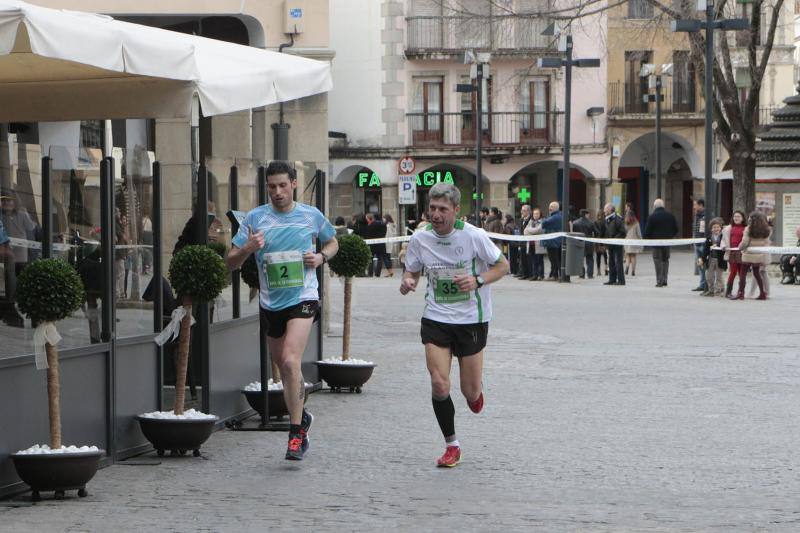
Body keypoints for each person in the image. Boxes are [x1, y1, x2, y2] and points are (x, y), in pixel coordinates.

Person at [226, 161, 339, 461]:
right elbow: (230, 262)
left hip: (303, 296)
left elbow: (333, 241)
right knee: (285, 367)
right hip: (271, 303)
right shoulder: (255, 218)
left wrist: (320, 257)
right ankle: (302, 417)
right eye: (271, 187)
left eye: (282, 186)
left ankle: (295, 434)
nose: (277, 192)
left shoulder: (310, 215)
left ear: (293, 184)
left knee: (290, 361)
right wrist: (248, 248)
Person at [399, 182, 509, 468]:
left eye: (443, 209)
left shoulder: (474, 235)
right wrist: (408, 280)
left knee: (469, 392)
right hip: (436, 317)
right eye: (432, 208)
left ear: (456, 210)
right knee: (439, 383)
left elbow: (502, 266)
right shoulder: (420, 238)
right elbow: (411, 269)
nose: (436, 214)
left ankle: (475, 392)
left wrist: (478, 280)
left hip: (472, 319)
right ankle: (452, 445)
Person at [733, 211, 771, 300]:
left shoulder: (748, 229)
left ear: (753, 219)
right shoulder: (766, 229)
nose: (749, 218)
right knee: (757, 274)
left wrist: (739, 247)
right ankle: (762, 293)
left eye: (750, 217)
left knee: (743, 274)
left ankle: (741, 293)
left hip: (748, 255)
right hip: (759, 255)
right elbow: (766, 242)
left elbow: (745, 242)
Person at [643, 199, 679, 287]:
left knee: (657, 260)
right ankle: (665, 279)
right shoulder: (670, 216)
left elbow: (647, 231)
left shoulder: (652, 217)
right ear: (663, 206)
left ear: (654, 206)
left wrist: (649, 239)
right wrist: (670, 236)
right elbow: (676, 229)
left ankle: (659, 280)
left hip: (656, 243)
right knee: (665, 260)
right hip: (667, 242)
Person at [721, 210, 747, 298]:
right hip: (732, 252)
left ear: (743, 218)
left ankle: (741, 292)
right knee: (733, 272)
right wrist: (724, 246)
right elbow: (723, 240)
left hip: (743, 253)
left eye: (738, 216)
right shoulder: (728, 228)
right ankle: (728, 292)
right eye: (735, 216)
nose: (736, 218)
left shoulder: (746, 228)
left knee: (741, 273)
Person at [700, 217, 727, 296]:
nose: (716, 229)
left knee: (719, 276)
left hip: (720, 259)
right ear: (711, 229)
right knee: (709, 275)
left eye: (718, 227)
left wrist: (719, 245)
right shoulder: (709, 238)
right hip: (711, 259)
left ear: (721, 228)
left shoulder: (723, 237)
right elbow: (705, 250)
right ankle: (710, 289)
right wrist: (702, 259)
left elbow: (725, 245)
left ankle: (720, 290)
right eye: (714, 227)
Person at [602, 203, 626, 285]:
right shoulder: (607, 219)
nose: (604, 211)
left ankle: (621, 280)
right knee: (611, 262)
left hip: (617, 245)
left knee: (618, 262)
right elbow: (606, 231)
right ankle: (612, 279)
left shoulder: (618, 219)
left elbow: (623, 232)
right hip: (610, 245)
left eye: (605, 209)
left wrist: (614, 239)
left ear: (610, 210)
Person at [541, 202, 563, 281]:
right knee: (556, 259)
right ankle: (555, 274)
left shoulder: (555, 217)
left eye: (551, 207)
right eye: (550, 206)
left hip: (553, 241)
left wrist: (543, 219)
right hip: (556, 241)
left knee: (554, 259)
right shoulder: (556, 216)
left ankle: (555, 275)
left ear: (556, 208)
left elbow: (544, 223)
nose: (549, 208)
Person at [571, 209, 596, 279]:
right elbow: (597, 232)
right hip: (589, 243)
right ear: (586, 214)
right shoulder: (591, 223)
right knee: (590, 258)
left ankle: (581, 274)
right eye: (588, 214)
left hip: (579, 242)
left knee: (580, 259)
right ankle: (590, 274)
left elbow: (574, 233)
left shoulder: (575, 223)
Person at [525, 207, 547, 280]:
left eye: (537, 213)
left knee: (539, 260)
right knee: (533, 260)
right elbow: (525, 232)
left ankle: (541, 275)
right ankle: (535, 275)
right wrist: (531, 231)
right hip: (531, 244)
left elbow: (539, 230)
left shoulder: (542, 221)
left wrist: (530, 230)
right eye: (534, 213)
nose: (535, 215)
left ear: (540, 214)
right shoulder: (530, 221)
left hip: (538, 244)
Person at [363, 213, 388, 277]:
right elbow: (384, 232)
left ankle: (370, 273)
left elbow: (367, 235)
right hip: (381, 244)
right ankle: (377, 273)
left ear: (369, 219)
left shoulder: (369, 226)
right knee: (380, 258)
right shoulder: (382, 224)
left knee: (370, 258)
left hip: (372, 244)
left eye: (367, 219)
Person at [691, 198, 707, 292]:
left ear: (701, 205)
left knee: (705, 264)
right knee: (700, 265)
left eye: (695, 205)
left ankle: (706, 284)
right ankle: (702, 284)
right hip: (696, 242)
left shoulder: (705, 215)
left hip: (703, 243)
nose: (694, 207)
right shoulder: (696, 215)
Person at [516, 205, 533, 280]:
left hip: (528, 242)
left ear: (529, 211)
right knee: (522, 258)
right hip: (522, 242)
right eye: (522, 210)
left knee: (529, 259)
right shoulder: (521, 220)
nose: (522, 212)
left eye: (524, 210)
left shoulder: (531, 220)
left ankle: (530, 274)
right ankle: (524, 273)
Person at [623, 211, 642, 276]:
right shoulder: (636, 223)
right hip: (634, 241)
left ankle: (627, 267)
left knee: (628, 256)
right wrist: (641, 241)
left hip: (627, 241)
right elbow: (639, 234)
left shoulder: (625, 223)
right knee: (633, 256)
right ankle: (633, 271)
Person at [594, 209, 608, 276]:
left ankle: (598, 271)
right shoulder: (605, 222)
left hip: (598, 241)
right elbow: (607, 231)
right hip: (604, 241)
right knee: (605, 256)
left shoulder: (596, 222)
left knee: (598, 256)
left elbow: (595, 232)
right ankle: (606, 270)